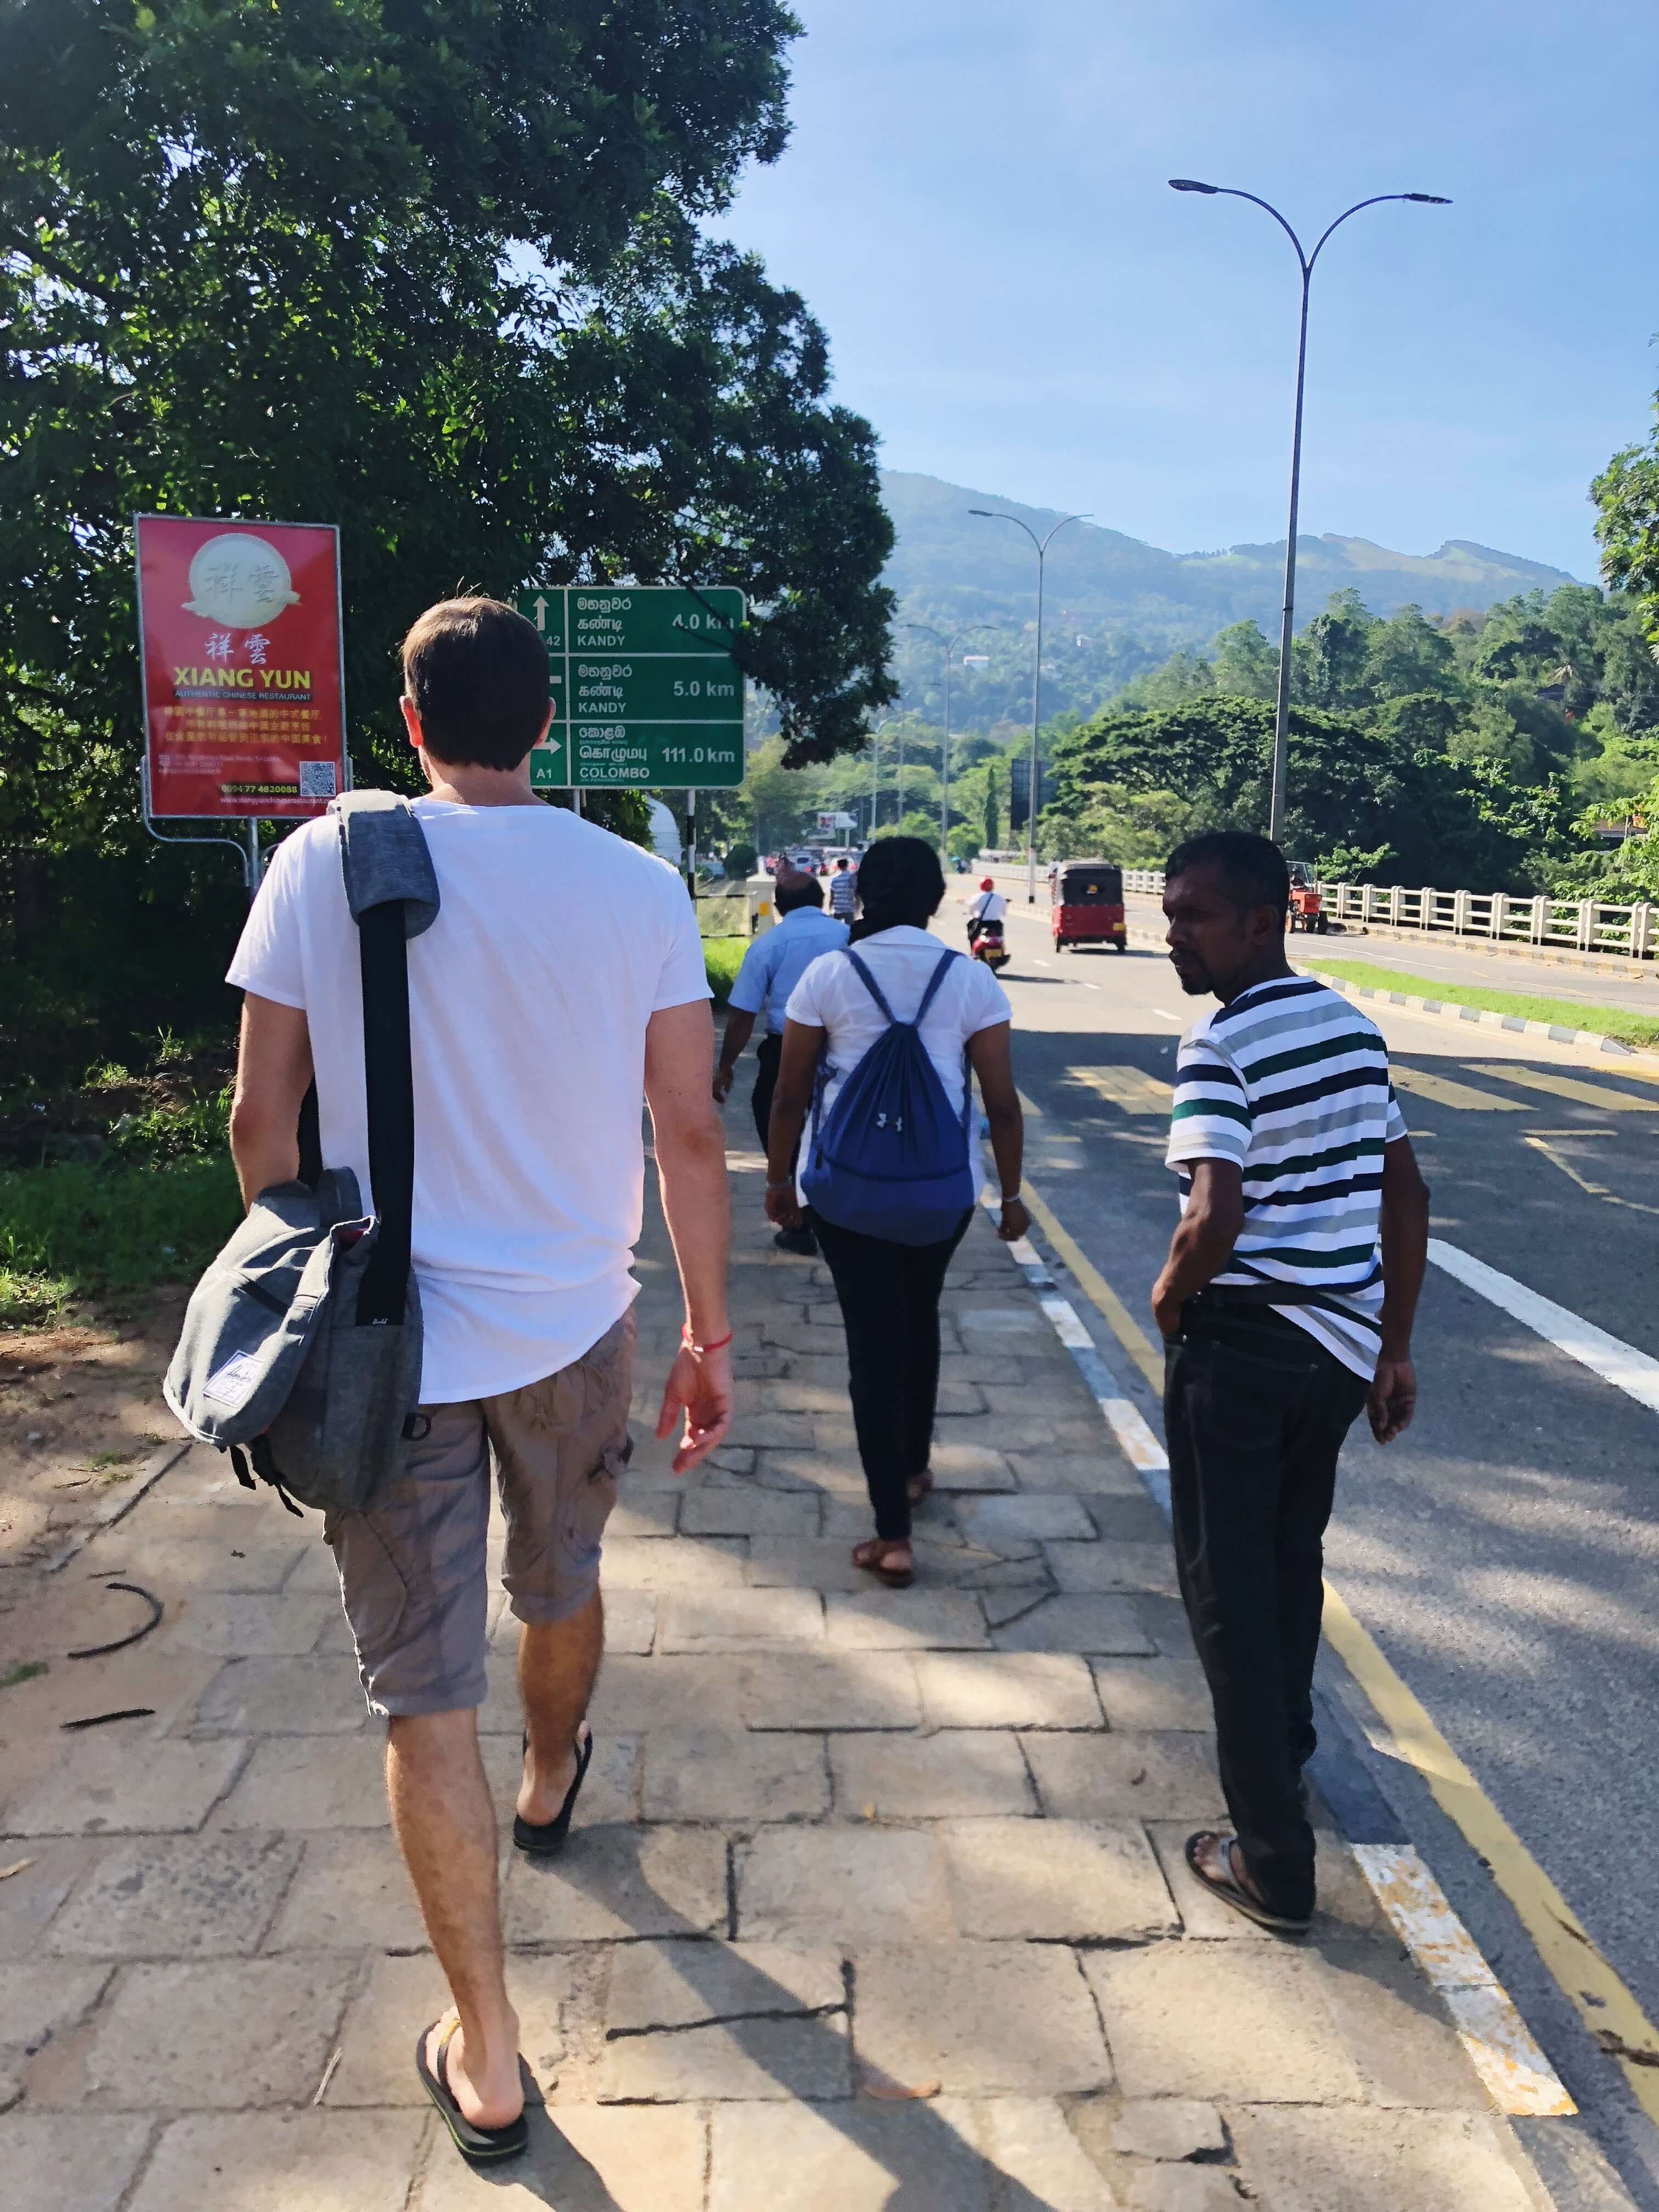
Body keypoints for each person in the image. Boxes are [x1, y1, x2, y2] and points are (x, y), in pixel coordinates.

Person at [225, 597, 732, 2165]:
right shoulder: (639, 882)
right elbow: (689, 1133)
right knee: (562, 1580)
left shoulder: (328, 861)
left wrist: (280, 1290)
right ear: (545, 723)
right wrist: (709, 1337)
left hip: (386, 1344)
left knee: (416, 1686)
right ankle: (557, 1769)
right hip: (580, 1324)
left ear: (412, 718)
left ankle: (492, 2058)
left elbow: (262, 1120)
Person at [1149, 830, 1430, 1937]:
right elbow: (1404, 1195)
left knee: (1228, 1598)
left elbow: (1213, 1216)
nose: (1174, 933)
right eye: (1171, 914)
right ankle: (1291, 1754)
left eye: (1195, 917)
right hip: (1335, 1357)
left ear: (1262, 922)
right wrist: (1393, 1348)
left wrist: (1171, 1302)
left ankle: (1271, 1862)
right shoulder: (1352, 1027)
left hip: (1245, 1349)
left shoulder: (1218, 1045)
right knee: (1288, 1565)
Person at [764, 837, 1029, 1586]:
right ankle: (913, 1468)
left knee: (871, 1348)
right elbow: (1002, 1107)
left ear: (863, 897)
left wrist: (779, 1181)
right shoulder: (972, 981)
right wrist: (1010, 1198)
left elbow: (790, 1094)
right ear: (938, 900)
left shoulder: (830, 975)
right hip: (944, 1193)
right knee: (919, 1321)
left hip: (847, 1195)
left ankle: (892, 1531)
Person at [713, 866, 848, 1255]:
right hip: (842, 1047)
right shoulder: (848, 937)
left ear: (780, 907)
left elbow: (741, 1014)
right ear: (821, 901)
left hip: (785, 1048)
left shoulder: (770, 945)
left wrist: (725, 1067)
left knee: (773, 1113)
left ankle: (793, 1206)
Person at [966, 875, 1007, 944]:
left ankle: (973, 950)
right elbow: (1004, 913)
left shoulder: (977, 897)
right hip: (996, 924)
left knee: (972, 935)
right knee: (1000, 936)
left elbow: (971, 910)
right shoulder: (1000, 898)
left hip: (981, 923)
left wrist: (973, 914)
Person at [827, 853, 858, 918]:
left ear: (838, 867)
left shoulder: (835, 880)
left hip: (838, 909)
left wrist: (830, 907)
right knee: (849, 928)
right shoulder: (851, 878)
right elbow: (856, 894)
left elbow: (832, 896)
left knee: (837, 928)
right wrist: (857, 907)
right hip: (849, 909)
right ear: (847, 866)